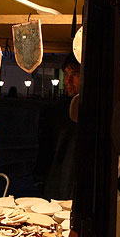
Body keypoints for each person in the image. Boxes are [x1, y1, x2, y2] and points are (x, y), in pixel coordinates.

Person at [34, 53, 81, 200]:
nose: (67, 80)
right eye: (66, 74)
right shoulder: (57, 110)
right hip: (56, 187)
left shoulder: (97, 112)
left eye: (75, 74)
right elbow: (45, 150)